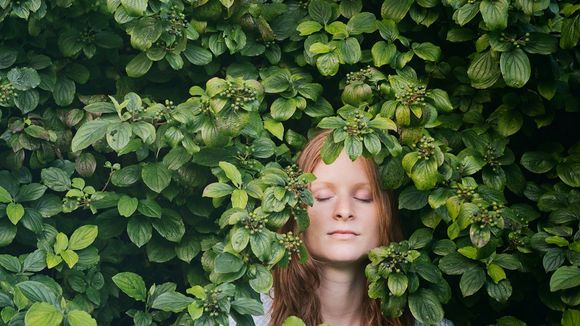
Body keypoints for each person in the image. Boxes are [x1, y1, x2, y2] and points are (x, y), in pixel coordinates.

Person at [232, 129, 451, 325]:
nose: (344, 210)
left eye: (363, 197)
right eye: (323, 196)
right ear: (294, 212)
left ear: (387, 213)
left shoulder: (426, 322)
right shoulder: (246, 319)